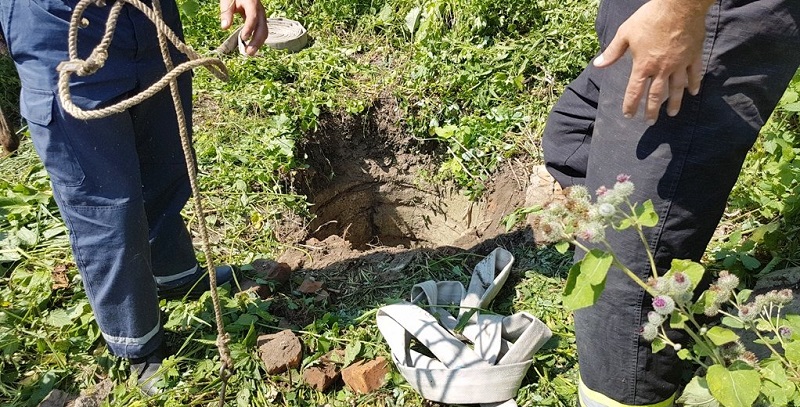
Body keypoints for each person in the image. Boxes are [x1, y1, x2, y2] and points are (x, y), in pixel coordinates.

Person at [0, 0, 268, 394]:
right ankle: (137, 341)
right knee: (106, 206)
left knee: (166, 163)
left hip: (150, 15)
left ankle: (173, 273)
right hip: (60, 26)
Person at [542, 0, 800, 406]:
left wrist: (682, 13)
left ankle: (630, 388)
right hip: (645, 13)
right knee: (571, 138)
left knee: (627, 285)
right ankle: (673, 279)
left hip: (704, 16)